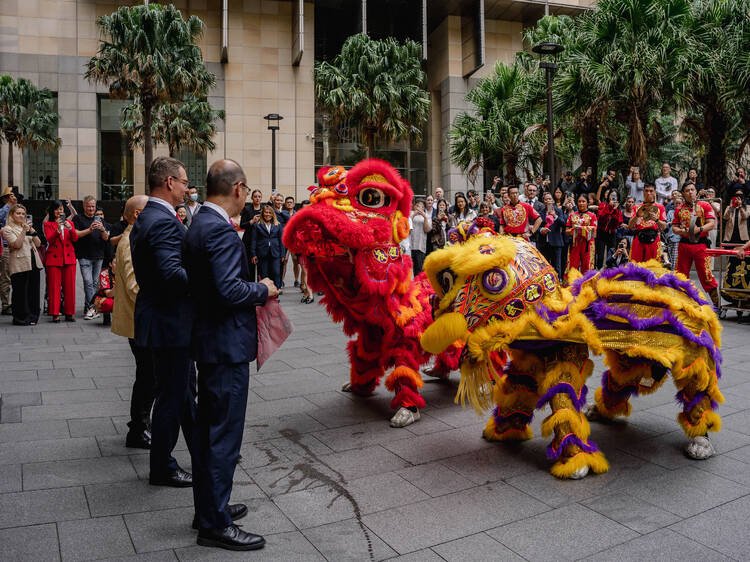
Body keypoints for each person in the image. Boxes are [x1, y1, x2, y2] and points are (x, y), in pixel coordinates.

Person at [183, 159, 277, 551]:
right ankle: (215, 523)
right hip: (225, 346)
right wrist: (264, 289)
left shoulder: (198, 223)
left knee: (210, 431)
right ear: (238, 189)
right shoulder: (219, 230)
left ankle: (208, 508)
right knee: (223, 436)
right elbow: (229, 290)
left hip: (210, 343)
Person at [130, 156, 197, 489]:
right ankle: (163, 466)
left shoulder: (151, 216)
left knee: (183, 392)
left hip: (163, 321)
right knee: (172, 398)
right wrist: (206, 276)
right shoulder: (162, 221)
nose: (187, 188)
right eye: (184, 182)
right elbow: (172, 274)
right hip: (170, 324)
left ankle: (201, 452)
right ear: (169, 182)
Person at [111, 195, 154, 450]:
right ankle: (138, 428)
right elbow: (134, 284)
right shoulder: (129, 242)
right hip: (140, 322)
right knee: (148, 376)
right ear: (138, 215)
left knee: (149, 376)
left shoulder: (136, 238)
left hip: (142, 321)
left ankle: (140, 426)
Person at [672, 183, 719, 309]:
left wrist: (699, 229)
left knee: (706, 275)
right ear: (683, 194)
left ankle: (717, 305)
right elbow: (674, 227)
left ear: (696, 191)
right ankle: (681, 304)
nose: (690, 192)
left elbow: (712, 224)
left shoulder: (705, 205)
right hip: (684, 245)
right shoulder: (679, 209)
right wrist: (682, 231)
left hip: (701, 245)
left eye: (692, 190)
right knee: (680, 275)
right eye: (687, 190)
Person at [1, 204, 43, 325]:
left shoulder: (27, 227)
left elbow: (39, 244)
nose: (21, 216)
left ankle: (33, 316)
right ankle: (20, 317)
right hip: (19, 262)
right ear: (12, 215)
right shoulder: (7, 229)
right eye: (18, 213)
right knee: (20, 291)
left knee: (33, 290)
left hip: (33, 260)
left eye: (23, 214)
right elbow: (17, 245)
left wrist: (32, 231)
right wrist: (24, 230)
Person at [72, 195, 110, 320]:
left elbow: (106, 238)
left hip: (98, 255)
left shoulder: (100, 220)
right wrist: (89, 229)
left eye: (93, 206)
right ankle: (92, 308)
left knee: (94, 283)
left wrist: (103, 229)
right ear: (84, 206)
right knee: (88, 282)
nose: (91, 209)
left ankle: (88, 306)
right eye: (88, 206)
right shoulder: (78, 218)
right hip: (84, 256)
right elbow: (76, 235)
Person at [44, 200, 78, 322]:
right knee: (54, 287)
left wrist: (71, 229)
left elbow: (75, 238)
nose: (60, 211)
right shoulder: (48, 224)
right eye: (57, 209)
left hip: (69, 258)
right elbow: (50, 240)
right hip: (53, 259)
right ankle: (55, 313)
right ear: (53, 211)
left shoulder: (69, 223)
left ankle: (69, 313)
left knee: (70, 287)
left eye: (62, 209)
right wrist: (58, 229)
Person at [628, 184, 666, 263]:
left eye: (651, 191)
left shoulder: (660, 207)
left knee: (653, 268)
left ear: (655, 192)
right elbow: (630, 226)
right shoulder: (636, 207)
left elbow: (664, 227)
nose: (649, 193)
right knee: (635, 267)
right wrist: (637, 215)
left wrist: (656, 220)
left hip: (654, 239)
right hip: (638, 239)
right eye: (646, 191)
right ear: (643, 192)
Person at [250, 205, 285, 289]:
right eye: (266, 212)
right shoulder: (257, 225)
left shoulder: (278, 225)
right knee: (263, 274)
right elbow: (254, 240)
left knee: (276, 272)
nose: (268, 214)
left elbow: (281, 240)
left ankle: (276, 291)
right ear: (263, 213)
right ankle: (264, 292)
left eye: (270, 213)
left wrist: (283, 254)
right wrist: (253, 254)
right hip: (262, 253)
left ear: (273, 214)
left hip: (275, 252)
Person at [565, 194, 597, 281]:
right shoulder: (572, 215)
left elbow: (595, 231)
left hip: (588, 245)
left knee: (587, 266)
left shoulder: (592, 215)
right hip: (575, 243)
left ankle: (587, 287)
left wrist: (584, 229)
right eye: (579, 201)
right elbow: (566, 231)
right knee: (573, 265)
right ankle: (571, 287)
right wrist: (573, 230)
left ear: (587, 203)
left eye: (583, 201)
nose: (581, 203)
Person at [539, 192, 566, 279]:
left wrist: (555, 216)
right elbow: (537, 225)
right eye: (546, 199)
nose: (548, 201)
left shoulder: (558, 211)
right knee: (545, 265)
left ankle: (558, 282)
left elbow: (564, 224)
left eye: (550, 199)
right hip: (544, 242)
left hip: (556, 242)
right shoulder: (541, 212)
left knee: (556, 266)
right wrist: (541, 230)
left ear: (553, 201)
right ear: (543, 202)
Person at [0, 187, 18, 315]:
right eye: (10, 195)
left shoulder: (16, 210)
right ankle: (6, 304)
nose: (13, 197)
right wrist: (9, 205)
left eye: (13, 195)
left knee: (17, 277)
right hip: (6, 247)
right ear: (5, 198)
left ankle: (16, 302)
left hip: (17, 247)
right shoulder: (3, 210)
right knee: (6, 277)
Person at [595, 189, 623, 268]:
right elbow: (601, 217)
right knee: (600, 256)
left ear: (618, 198)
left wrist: (615, 210)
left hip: (612, 234)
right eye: (612, 195)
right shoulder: (603, 205)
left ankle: (609, 272)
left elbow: (618, 223)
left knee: (611, 254)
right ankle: (598, 271)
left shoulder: (619, 208)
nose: (613, 198)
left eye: (615, 196)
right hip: (601, 233)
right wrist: (609, 207)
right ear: (608, 196)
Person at [409, 198, 431, 276]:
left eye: (421, 206)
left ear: (424, 207)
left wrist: (424, 217)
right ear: (414, 206)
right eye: (417, 205)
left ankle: (418, 286)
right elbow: (406, 227)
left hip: (420, 246)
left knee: (419, 269)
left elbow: (427, 230)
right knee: (409, 269)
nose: (419, 208)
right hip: (409, 245)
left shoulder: (427, 216)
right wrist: (413, 215)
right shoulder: (409, 214)